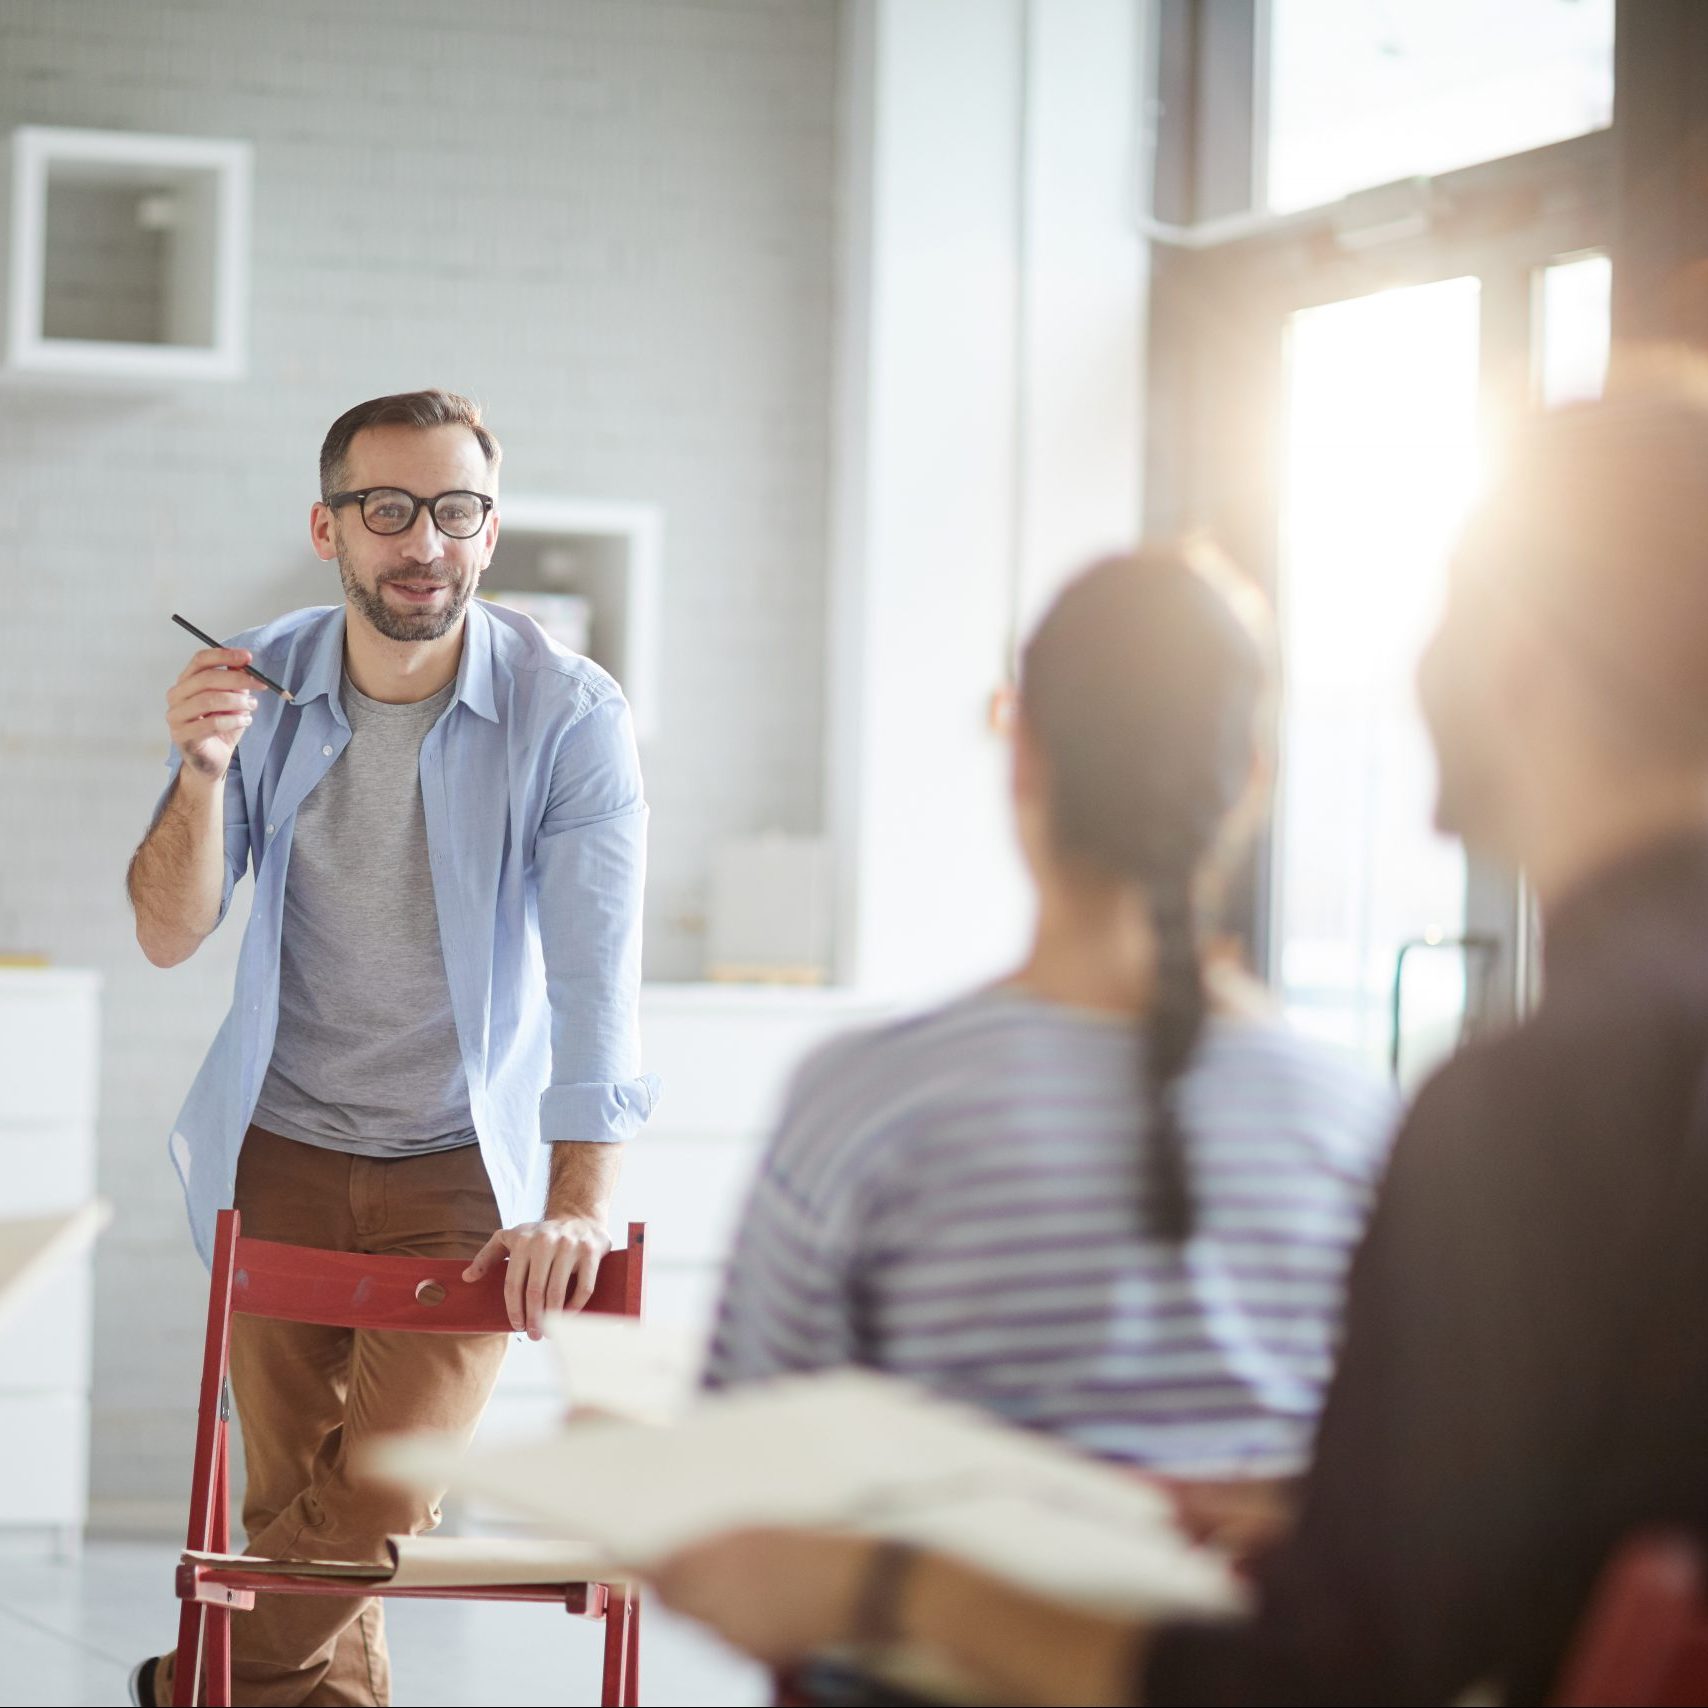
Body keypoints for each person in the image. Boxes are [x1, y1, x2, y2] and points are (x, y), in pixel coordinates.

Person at [649, 363, 1708, 1704]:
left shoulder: (1540, 1106)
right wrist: (1318, 1513)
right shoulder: (1375, 1108)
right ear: (1246, 780)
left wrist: (885, 1582)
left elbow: (1329, 1677)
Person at [124, 390, 656, 1707]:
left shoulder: (569, 715)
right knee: (291, 1511)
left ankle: (197, 1681)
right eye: (389, 510)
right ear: (331, 528)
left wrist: (581, 1206)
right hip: (284, 1148)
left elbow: (598, 981)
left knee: (377, 1499)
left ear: (490, 529)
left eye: (456, 510)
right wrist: (198, 774)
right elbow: (166, 931)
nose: (426, 542)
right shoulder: (258, 682)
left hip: (459, 1176)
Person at [707, 545, 1394, 1491]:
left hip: (939, 1639)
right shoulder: (1360, 1122)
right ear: (1252, 781)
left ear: (1021, 755)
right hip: (1262, 1643)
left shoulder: (870, 1101)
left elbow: (753, 1498)